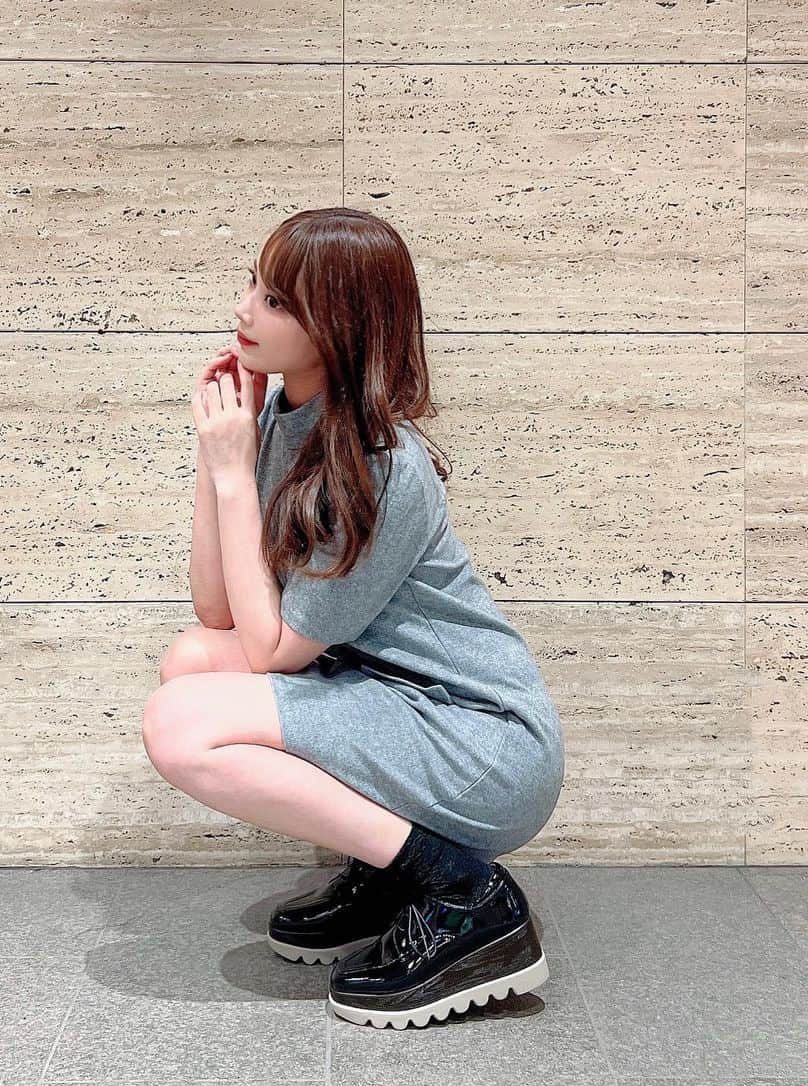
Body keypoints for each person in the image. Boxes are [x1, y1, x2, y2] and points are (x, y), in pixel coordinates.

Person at [142, 207, 565, 1030]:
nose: (243, 309)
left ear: (339, 324)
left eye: (276, 300)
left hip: (481, 740)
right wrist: (218, 453)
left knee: (179, 724)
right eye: (253, 284)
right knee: (192, 659)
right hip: (393, 701)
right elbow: (220, 610)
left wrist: (233, 477)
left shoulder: (381, 463)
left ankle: (465, 895)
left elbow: (273, 650)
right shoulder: (287, 416)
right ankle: (396, 872)